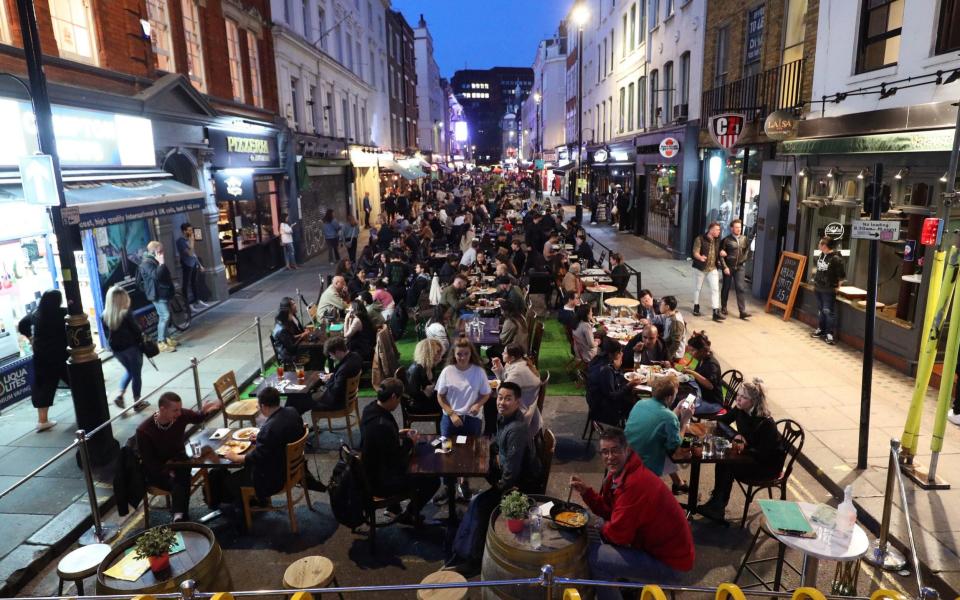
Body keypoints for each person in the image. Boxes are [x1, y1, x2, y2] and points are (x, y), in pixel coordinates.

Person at [570, 427, 695, 599]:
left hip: (671, 564)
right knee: (597, 536)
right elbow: (611, 513)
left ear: (626, 449)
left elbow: (618, 535)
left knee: (595, 558)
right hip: (656, 548)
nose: (609, 457)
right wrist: (587, 493)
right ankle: (621, 584)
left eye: (615, 451)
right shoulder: (622, 472)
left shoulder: (634, 484)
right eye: (605, 452)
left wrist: (597, 524)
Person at [446, 381, 541, 577]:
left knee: (480, 505)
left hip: (520, 486)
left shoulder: (516, 429)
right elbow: (497, 441)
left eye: (508, 398)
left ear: (517, 402)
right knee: (477, 501)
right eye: (500, 397)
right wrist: (489, 450)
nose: (502, 402)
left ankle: (474, 559)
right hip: (510, 476)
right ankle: (463, 548)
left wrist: (498, 487)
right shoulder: (505, 418)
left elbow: (512, 472)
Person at [213, 387, 317, 511]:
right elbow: (280, 438)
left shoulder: (269, 429)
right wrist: (260, 439)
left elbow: (257, 457)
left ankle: (242, 515)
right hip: (294, 468)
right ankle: (255, 503)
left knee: (230, 481)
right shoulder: (292, 411)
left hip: (275, 478)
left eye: (259, 406)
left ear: (264, 406)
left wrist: (236, 457)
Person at [699, 379, 787, 523]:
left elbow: (765, 454)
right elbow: (720, 421)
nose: (738, 399)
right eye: (738, 395)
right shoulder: (740, 409)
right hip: (752, 455)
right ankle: (716, 502)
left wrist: (745, 448)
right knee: (723, 461)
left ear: (754, 401)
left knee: (727, 464)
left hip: (766, 465)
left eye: (744, 397)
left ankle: (717, 506)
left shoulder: (766, 423)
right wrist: (736, 435)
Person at [360, 378, 441, 525]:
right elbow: (396, 459)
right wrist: (411, 441)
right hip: (380, 482)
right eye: (398, 400)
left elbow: (378, 441)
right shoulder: (382, 425)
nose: (398, 404)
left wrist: (397, 433)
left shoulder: (370, 409)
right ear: (393, 397)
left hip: (369, 471)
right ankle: (409, 515)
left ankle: (394, 508)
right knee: (432, 479)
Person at [137, 392, 222, 522]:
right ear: (162, 409)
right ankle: (180, 516)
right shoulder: (144, 430)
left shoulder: (181, 415)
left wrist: (205, 411)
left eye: (180, 409)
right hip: (158, 470)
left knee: (182, 471)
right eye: (175, 410)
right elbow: (150, 462)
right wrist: (167, 472)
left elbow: (197, 418)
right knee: (181, 479)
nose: (179, 413)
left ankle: (179, 517)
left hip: (179, 462)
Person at [624, 375, 694, 494]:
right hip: (645, 462)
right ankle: (678, 485)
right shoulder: (669, 417)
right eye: (675, 394)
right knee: (668, 448)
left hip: (627, 453)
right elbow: (676, 447)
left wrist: (677, 409)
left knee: (661, 443)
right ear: (669, 397)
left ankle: (678, 484)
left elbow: (660, 420)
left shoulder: (640, 403)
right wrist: (684, 422)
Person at [17, 289, 69, 431]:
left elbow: (22, 324)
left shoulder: (35, 313)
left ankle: (42, 421)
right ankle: (90, 406)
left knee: (43, 386)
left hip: (41, 356)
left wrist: (31, 337)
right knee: (76, 381)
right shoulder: (61, 313)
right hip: (60, 355)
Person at [102, 285, 148, 410]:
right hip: (132, 348)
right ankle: (137, 402)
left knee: (129, 371)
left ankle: (120, 395)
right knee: (136, 374)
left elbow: (107, 334)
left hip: (117, 351)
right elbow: (136, 331)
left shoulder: (105, 315)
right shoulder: (125, 313)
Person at [436, 337, 492, 438]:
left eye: (466, 354)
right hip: (450, 418)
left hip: (472, 419)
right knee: (447, 450)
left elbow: (486, 393)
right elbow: (440, 396)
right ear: (454, 354)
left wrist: (478, 405)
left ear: (471, 354)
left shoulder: (479, 371)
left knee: (472, 451)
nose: (463, 357)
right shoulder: (447, 371)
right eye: (459, 354)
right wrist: (452, 414)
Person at [491, 345, 543, 442]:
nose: (502, 353)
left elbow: (504, 391)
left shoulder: (518, 371)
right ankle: (497, 435)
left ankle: (498, 437)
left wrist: (495, 386)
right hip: (526, 402)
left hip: (523, 411)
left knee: (491, 403)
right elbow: (506, 380)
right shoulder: (519, 362)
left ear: (512, 357)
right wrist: (499, 368)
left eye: (505, 352)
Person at [586, 341, 641, 427]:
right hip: (602, 408)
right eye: (620, 352)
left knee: (633, 398)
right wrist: (628, 385)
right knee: (636, 404)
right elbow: (612, 396)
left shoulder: (599, 359)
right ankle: (630, 431)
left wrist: (618, 369)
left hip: (595, 400)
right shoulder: (607, 369)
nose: (622, 354)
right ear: (615, 354)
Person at [137, 241, 177, 352]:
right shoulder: (146, 263)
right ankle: (160, 342)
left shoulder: (153, 260)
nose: (162, 253)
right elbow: (156, 276)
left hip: (163, 292)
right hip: (157, 294)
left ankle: (167, 338)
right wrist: (161, 263)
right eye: (160, 251)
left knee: (164, 316)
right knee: (165, 316)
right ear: (154, 251)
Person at [678, 331, 724, 415]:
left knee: (683, 409)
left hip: (712, 403)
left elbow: (710, 385)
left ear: (702, 350)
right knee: (678, 401)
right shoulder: (701, 359)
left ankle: (683, 426)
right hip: (699, 395)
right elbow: (699, 373)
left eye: (693, 350)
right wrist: (690, 370)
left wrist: (692, 372)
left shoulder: (712, 364)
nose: (690, 353)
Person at [811, 236, 845, 345]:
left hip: (828, 289)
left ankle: (829, 334)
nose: (818, 245)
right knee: (821, 310)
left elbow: (841, 276)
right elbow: (817, 269)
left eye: (820, 244)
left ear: (824, 246)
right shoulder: (821, 255)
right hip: (818, 287)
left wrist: (836, 287)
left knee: (828, 311)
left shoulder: (836, 259)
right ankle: (821, 329)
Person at [691, 222, 725, 321]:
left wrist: (721, 253)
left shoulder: (717, 240)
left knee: (715, 289)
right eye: (717, 229)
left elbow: (719, 250)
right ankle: (696, 306)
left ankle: (715, 312)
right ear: (711, 230)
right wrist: (700, 257)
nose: (719, 231)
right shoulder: (700, 239)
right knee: (697, 288)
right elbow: (695, 252)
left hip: (712, 268)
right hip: (700, 268)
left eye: (719, 230)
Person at [721, 219, 750, 319]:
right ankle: (724, 307)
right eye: (737, 227)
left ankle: (742, 312)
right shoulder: (726, 240)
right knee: (726, 287)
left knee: (740, 288)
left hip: (740, 267)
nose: (739, 229)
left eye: (740, 227)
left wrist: (743, 259)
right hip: (729, 267)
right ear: (732, 228)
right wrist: (724, 267)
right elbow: (721, 255)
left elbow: (747, 251)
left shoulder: (744, 238)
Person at [406, 339, 445, 414]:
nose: (440, 355)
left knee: (448, 398)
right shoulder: (416, 369)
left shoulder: (430, 366)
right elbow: (413, 394)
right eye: (438, 352)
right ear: (428, 353)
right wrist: (425, 393)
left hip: (426, 399)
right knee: (445, 404)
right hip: (416, 405)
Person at [177, 223, 207, 310]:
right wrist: (192, 241)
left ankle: (197, 300)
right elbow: (190, 253)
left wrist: (199, 265)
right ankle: (187, 304)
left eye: (191, 230)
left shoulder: (189, 239)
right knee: (186, 284)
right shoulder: (181, 241)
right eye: (189, 230)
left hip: (193, 263)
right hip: (187, 264)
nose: (191, 232)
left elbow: (193, 254)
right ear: (184, 231)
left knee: (194, 282)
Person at [647, 296, 686, 363]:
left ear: (667, 307)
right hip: (666, 348)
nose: (659, 305)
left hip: (674, 357)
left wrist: (667, 359)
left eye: (661, 304)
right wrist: (650, 307)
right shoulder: (668, 315)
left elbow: (675, 344)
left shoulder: (676, 322)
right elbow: (653, 319)